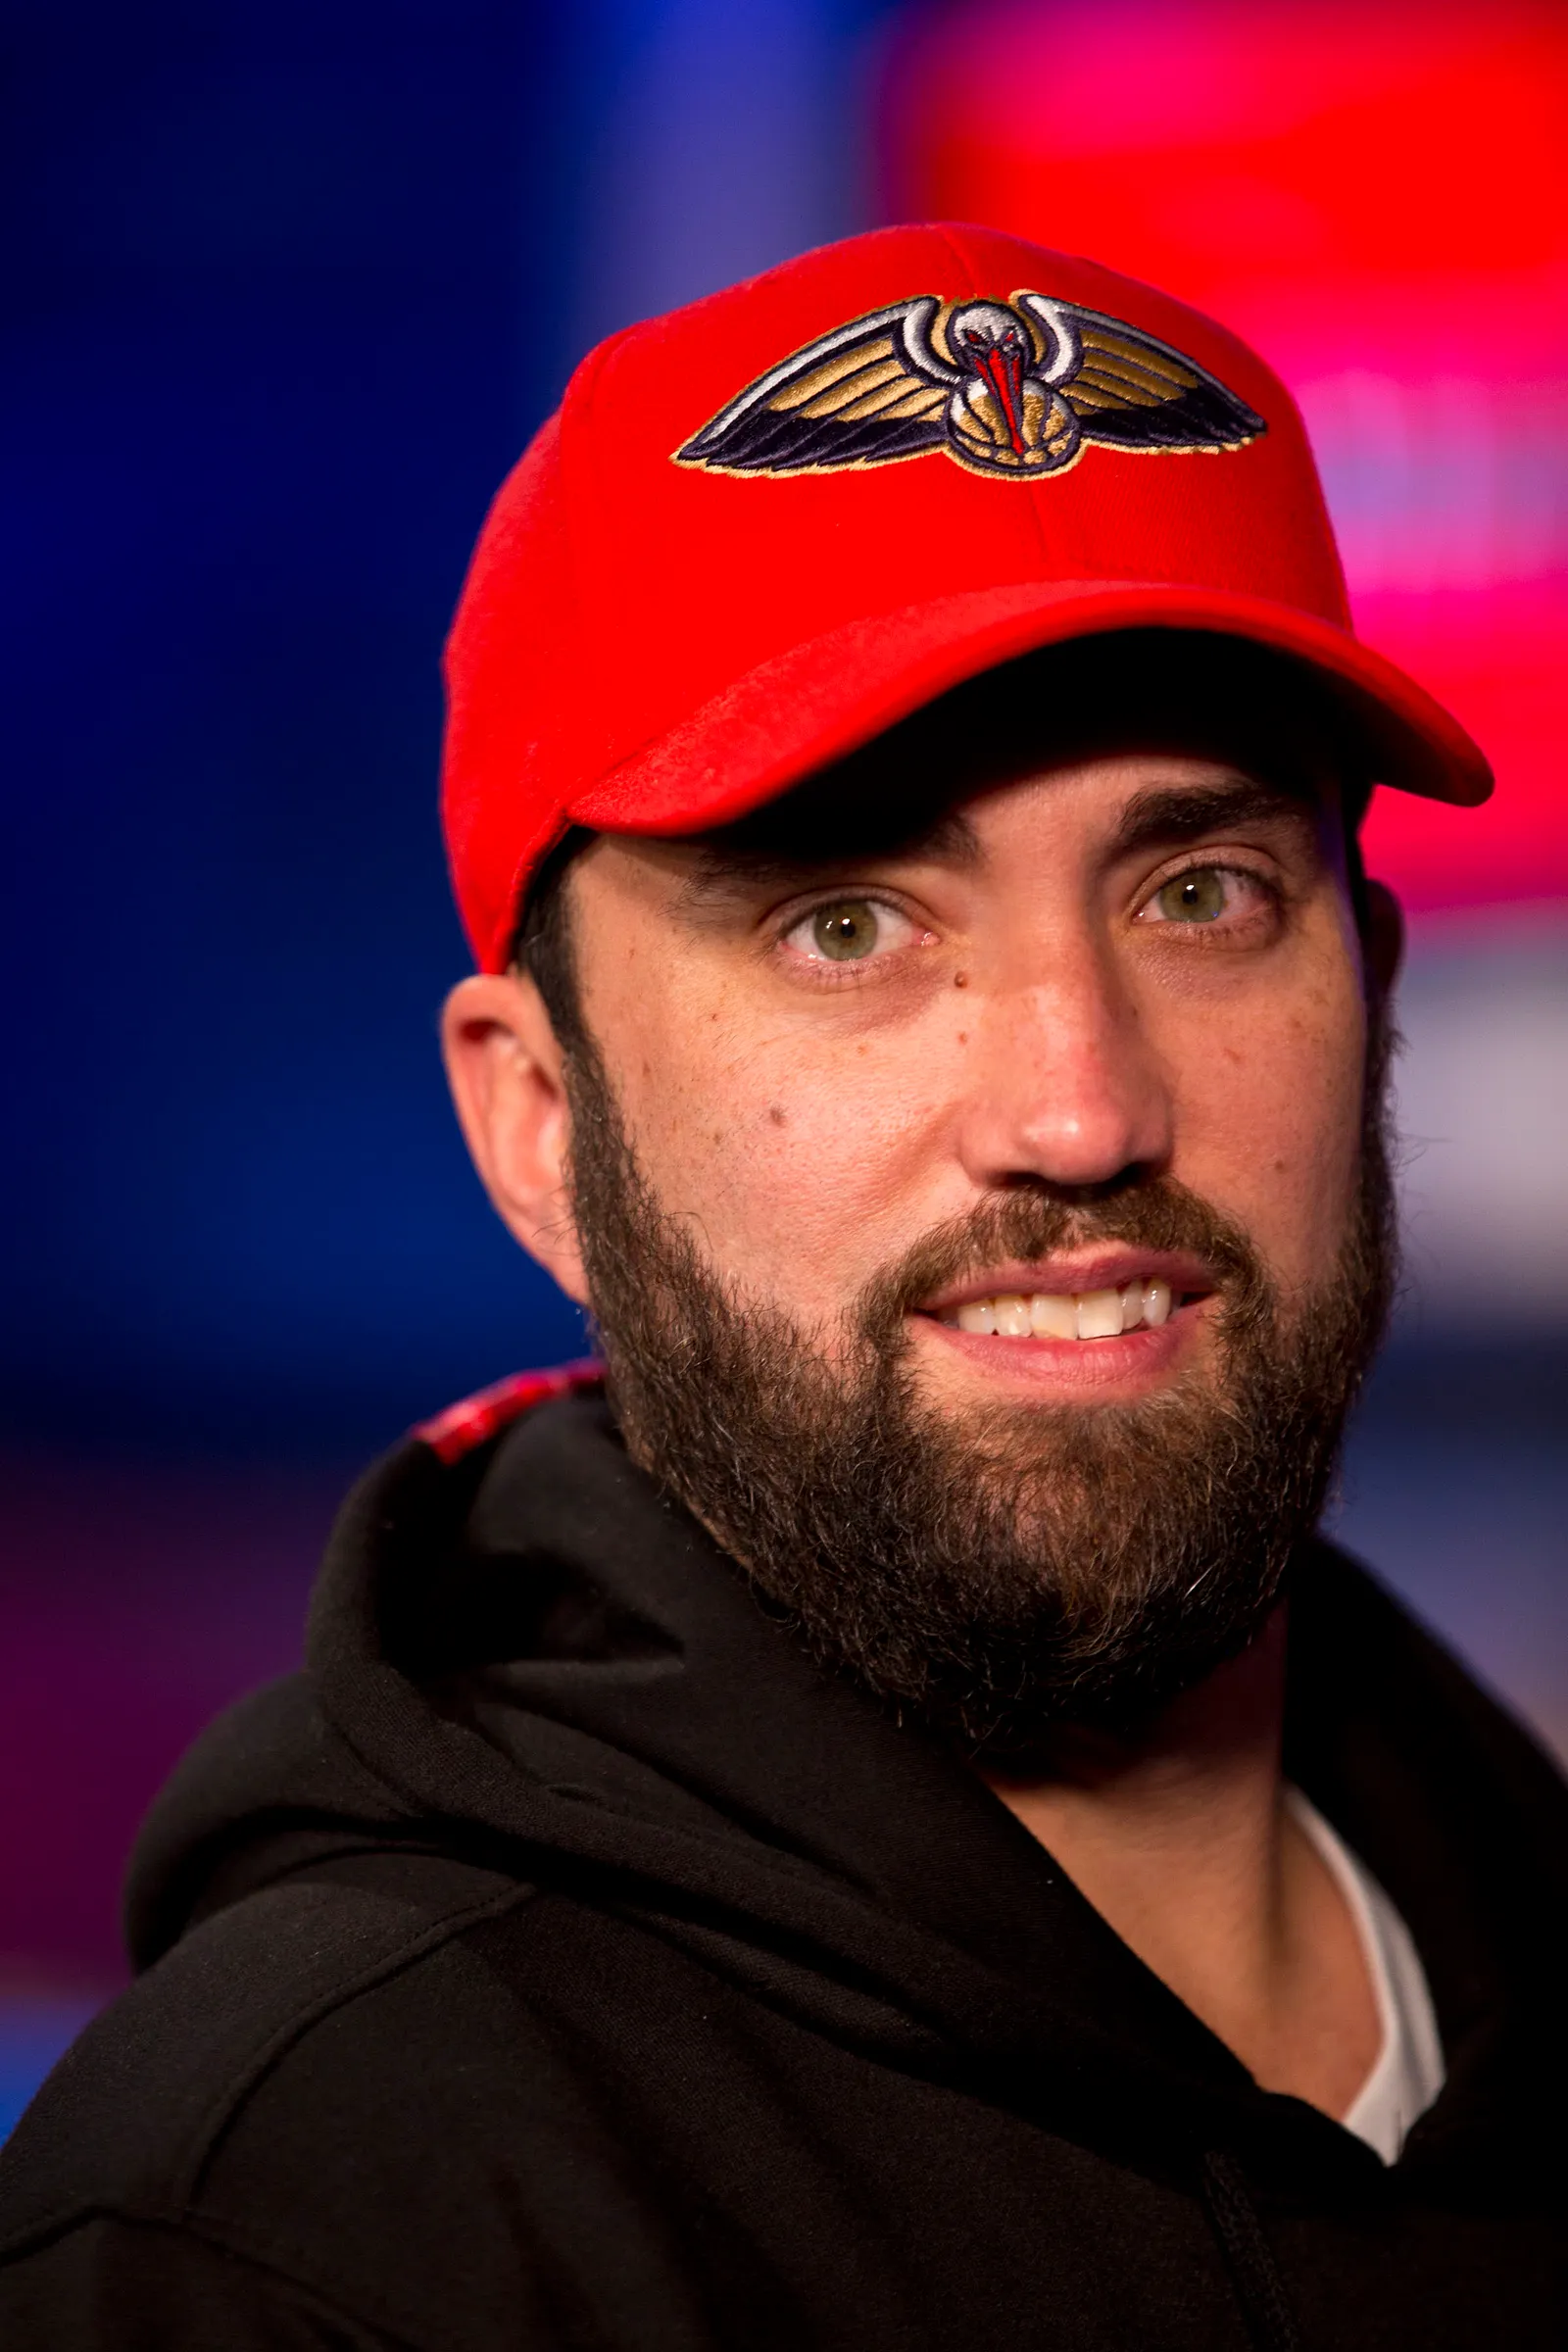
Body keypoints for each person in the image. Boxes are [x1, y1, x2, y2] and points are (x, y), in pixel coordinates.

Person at [1, 222, 1562, 2351]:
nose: (1079, 1106)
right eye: (844, 925)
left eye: (1198, 893)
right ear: (542, 1123)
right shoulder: (295, 2239)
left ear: (1367, 991)